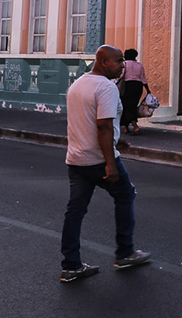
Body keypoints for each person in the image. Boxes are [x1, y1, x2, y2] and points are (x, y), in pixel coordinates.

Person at [60, 44, 151, 283]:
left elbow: (85, 122)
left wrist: (116, 143)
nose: (122, 66)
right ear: (102, 62)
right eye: (118, 61)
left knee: (75, 210)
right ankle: (125, 252)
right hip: (99, 159)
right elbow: (103, 126)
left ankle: (71, 266)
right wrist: (110, 162)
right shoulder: (106, 87)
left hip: (76, 158)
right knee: (125, 196)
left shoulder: (77, 84)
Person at [119, 48, 150, 135]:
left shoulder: (124, 64)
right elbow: (143, 79)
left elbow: (119, 76)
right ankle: (126, 127)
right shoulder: (139, 65)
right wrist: (147, 89)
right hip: (137, 87)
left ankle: (135, 127)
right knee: (132, 105)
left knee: (125, 106)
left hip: (127, 86)